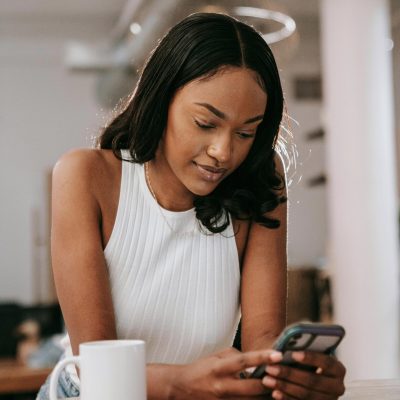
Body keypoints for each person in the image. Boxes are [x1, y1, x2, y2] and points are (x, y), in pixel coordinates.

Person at [37, 12, 346, 400]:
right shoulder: (85, 176)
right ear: (162, 99)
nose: (223, 152)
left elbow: (260, 346)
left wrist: (290, 377)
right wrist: (179, 383)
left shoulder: (259, 181)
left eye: (246, 132)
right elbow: (99, 367)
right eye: (205, 123)